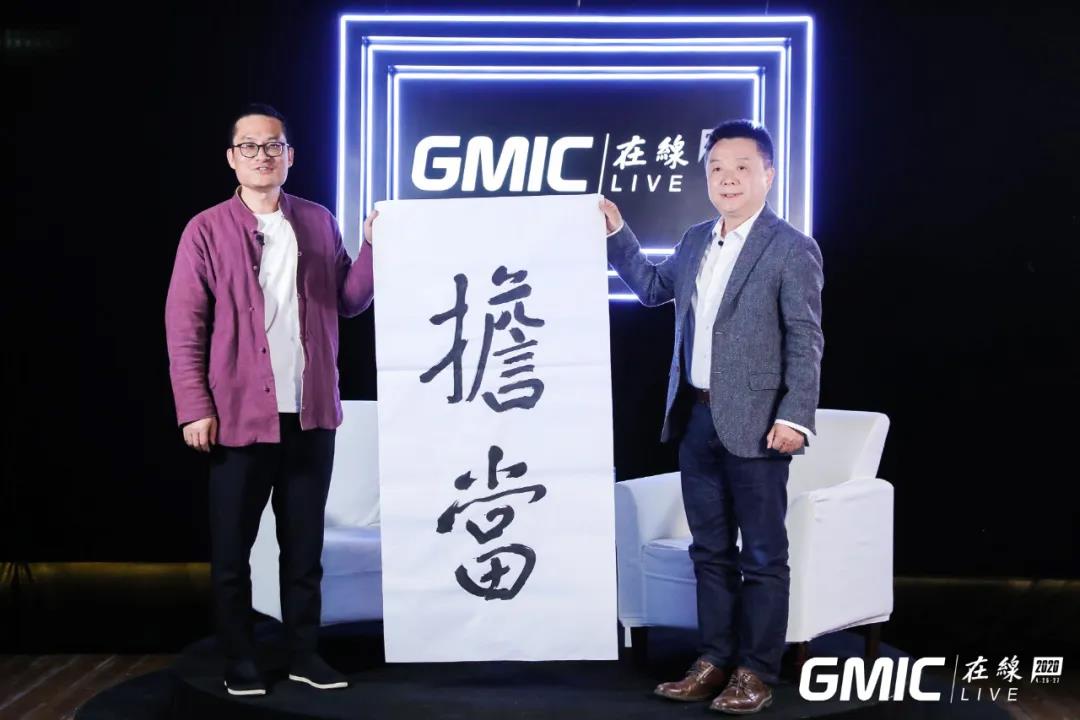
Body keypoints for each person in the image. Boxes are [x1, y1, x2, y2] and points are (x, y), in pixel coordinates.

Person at [600, 119, 823, 714]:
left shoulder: (791, 247)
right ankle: (714, 660)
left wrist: (795, 417)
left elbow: (805, 338)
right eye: (717, 168)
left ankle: (756, 672)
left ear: (767, 174)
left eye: (742, 167)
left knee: (763, 557)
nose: (728, 179)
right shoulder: (697, 238)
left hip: (760, 424)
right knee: (709, 552)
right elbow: (651, 289)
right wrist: (617, 231)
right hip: (696, 420)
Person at [165, 103, 378, 697]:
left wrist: (371, 247)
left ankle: (305, 654)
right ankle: (240, 659)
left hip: (310, 413)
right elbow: (184, 326)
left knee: (304, 549)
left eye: (274, 146)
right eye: (251, 146)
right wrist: (194, 407)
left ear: (290, 156)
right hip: (237, 417)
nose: (263, 156)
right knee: (233, 551)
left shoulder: (317, 220)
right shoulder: (206, 229)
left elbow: (349, 300)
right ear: (232, 158)